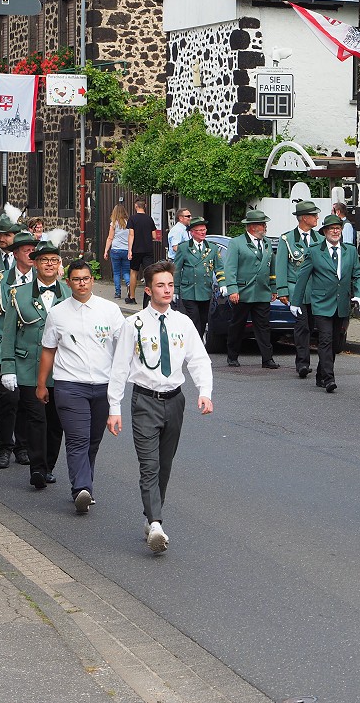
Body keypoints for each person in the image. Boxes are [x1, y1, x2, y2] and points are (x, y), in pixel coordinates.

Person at [107, 261, 214, 554]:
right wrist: (114, 408)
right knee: (149, 465)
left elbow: (198, 360)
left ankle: (151, 515)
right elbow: (119, 368)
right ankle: (156, 523)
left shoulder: (183, 323)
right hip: (145, 401)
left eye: (170, 285)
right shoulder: (134, 324)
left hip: (174, 400)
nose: (167, 290)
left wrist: (205, 392)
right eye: (160, 285)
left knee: (164, 465)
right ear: (148, 290)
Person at [36, 260, 124, 512]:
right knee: (78, 440)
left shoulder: (110, 310)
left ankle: (85, 487)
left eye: (86, 278)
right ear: (68, 282)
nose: (82, 283)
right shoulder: (58, 313)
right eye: (76, 279)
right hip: (70, 385)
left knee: (93, 441)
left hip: (102, 386)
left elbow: (125, 346)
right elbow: (48, 350)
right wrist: (41, 384)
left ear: (92, 280)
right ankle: (81, 489)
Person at [1, 240, 71, 489]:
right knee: (36, 418)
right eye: (44, 260)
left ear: (59, 264)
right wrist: (8, 367)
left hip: (61, 369)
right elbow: (9, 334)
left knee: (55, 422)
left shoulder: (70, 294)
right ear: (36, 263)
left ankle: (48, 466)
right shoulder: (18, 294)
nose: (49, 265)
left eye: (53, 260)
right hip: (28, 368)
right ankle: (38, 468)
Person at [290, 215, 360, 393]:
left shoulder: (350, 251)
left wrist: (359, 295)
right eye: (331, 228)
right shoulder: (315, 251)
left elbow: (358, 275)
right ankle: (329, 378)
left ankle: (320, 374)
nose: (335, 231)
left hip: (342, 303)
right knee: (325, 339)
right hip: (321, 303)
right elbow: (302, 277)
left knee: (335, 343)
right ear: (325, 232)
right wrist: (296, 302)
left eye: (338, 228)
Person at [0, 230, 34, 469]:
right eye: (26, 250)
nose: (31, 254)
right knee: (9, 398)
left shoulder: (41, 281)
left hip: (30, 352)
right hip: (3, 350)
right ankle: (4, 447)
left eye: (33, 250)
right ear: (15, 253)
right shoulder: (0, 280)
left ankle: (22, 446)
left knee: (27, 400)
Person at [222, 209, 278, 369]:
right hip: (243, 292)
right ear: (253, 226)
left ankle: (267, 359)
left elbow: (271, 267)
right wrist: (233, 289)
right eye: (262, 224)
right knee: (237, 325)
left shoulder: (267, 242)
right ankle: (232, 356)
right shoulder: (237, 243)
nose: (265, 227)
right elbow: (230, 268)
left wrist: (273, 287)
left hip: (262, 292)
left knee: (263, 326)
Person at [275, 201, 321, 379]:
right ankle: (302, 363)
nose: (317, 218)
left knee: (311, 325)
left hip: (315, 291)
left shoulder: (320, 239)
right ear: (304, 218)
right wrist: (282, 290)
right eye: (314, 215)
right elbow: (280, 266)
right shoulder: (287, 239)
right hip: (296, 290)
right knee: (302, 327)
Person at [174, 217, 224, 340]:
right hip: (189, 290)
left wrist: (222, 283)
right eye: (199, 230)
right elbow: (176, 269)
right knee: (194, 318)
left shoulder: (212, 248)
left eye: (204, 230)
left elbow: (219, 268)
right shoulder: (184, 247)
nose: (203, 232)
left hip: (205, 289)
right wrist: (175, 289)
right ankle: (194, 343)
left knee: (203, 319)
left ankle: (196, 342)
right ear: (192, 232)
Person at [126, 199, 157, 306]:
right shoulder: (149, 219)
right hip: (148, 249)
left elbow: (131, 235)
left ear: (136, 206)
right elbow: (154, 236)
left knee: (133, 272)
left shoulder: (132, 219)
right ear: (145, 206)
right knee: (149, 273)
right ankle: (148, 298)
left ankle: (132, 297)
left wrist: (129, 250)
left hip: (136, 249)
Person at [103, 203, 131, 300]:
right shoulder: (129, 223)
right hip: (126, 250)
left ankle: (117, 293)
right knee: (126, 271)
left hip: (115, 250)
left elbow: (110, 238)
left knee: (116, 273)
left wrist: (106, 251)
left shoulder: (113, 223)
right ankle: (129, 285)